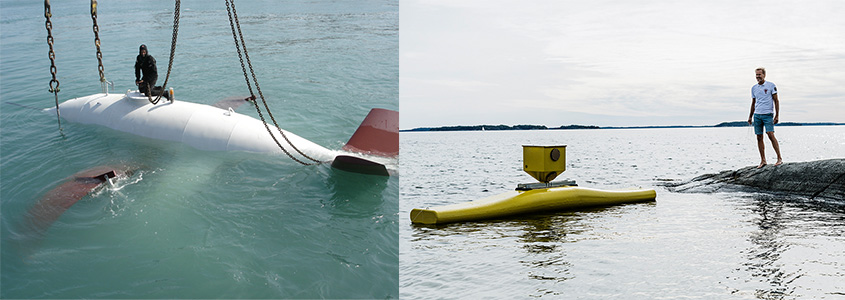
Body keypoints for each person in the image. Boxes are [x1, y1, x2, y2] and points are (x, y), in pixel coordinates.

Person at [747, 67, 783, 168]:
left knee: (770, 134)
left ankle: (779, 158)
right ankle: (763, 160)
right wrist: (750, 116)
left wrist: (777, 115)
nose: (758, 77)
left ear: (764, 75)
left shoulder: (771, 86)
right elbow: (753, 103)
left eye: (759, 75)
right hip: (757, 115)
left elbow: (776, 101)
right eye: (756, 75)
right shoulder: (754, 88)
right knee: (759, 137)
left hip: (768, 114)